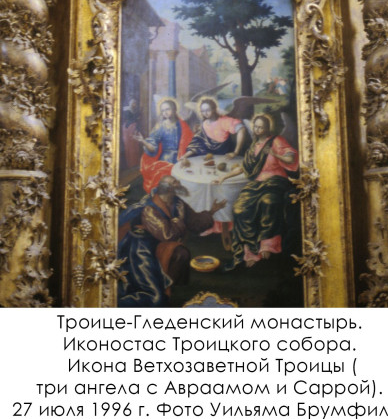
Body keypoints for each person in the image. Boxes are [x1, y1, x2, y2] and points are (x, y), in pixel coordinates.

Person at [118, 176, 226, 307]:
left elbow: (194, 222)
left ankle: (176, 290)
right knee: (153, 296)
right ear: (169, 189)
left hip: (159, 243)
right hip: (142, 249)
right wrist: (178, 222)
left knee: (181, 253)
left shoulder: (177, 202)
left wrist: (212, 211)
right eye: (176, 182)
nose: (180, 183)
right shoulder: (149, 208)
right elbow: (167, 235)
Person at [222, 114, 298, 270]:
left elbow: (291, 159)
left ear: (267, 128)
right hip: (257, 183)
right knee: (239, 209)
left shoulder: (277, 141)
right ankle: (249, 249)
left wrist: (274, 153)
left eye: (261, 127)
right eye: (256, 127)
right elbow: (244, 168)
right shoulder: (253, 146)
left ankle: (268, 244)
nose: (258, 130)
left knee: (268, 202)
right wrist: (224, 177)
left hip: (276, 181)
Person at [136, 99, 193, 194]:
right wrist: (143, 141)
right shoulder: (160, 126)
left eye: (167, 109)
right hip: (166, 159)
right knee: (166, 181)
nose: (165, 112)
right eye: (163, 110)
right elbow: (153, 148)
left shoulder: (182, 125)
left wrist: (184, 156)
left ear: (174, 109)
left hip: (181, 157)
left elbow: (189, 142)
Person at [181, 97, 247, 161]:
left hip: (224, 156)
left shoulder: (224, 121)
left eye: (208, 110)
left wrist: (235, 152)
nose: (205, 113)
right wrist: (185, 156)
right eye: (203, 111)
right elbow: (197, 143)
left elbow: (242, 129)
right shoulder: (204, 124)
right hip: (209, 158)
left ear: (214, 109)